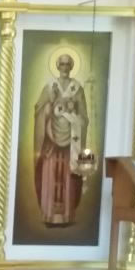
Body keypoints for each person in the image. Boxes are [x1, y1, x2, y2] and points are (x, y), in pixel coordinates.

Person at [34, 53, 90, 226]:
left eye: (68, 64)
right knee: (50, 174)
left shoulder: (77, 88)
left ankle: (66, 215)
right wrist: (48, 107)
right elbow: (39, 110)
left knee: (68, 176)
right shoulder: (49, 87)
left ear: (71, 67)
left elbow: (84, 117)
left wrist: (73, 117)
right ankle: (49, 214)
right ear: (57, 66)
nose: (65, 67)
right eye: (62, 64)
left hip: (71, 142)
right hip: (51, 139)